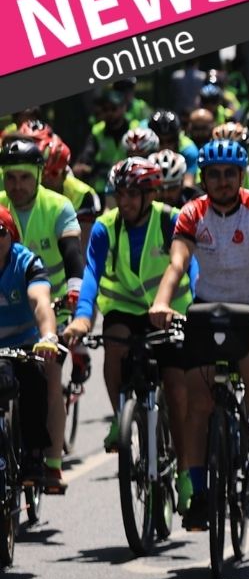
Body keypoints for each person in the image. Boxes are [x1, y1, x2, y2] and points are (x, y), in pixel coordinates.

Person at [146, 139, 249, 531]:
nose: (223, 181)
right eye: (215, 174)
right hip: (207, 308)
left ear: (242, 175)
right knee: (198, 403)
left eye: (231, 174)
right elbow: (177, 263)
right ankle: (197, 493)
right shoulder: (192, 212)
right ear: (205, 177)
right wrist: (162, 304)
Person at [63, 158, 191, 460]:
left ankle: (187, 472)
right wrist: (82, 317)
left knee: (175, 387)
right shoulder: (105, 226)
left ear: (152, 195)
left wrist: (193, 309)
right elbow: (91, 272)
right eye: (119, 194)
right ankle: (120, 415)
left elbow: (189, 265)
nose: (124, 201)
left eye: (132, 194)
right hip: (126, 308)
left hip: (171, 310)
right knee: (114, 349)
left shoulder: (170, 220)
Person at [0, 204, 66, 492]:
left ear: (11, 236)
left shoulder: (26, 262)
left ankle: (34, 456)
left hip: (24, 342)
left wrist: (49, 336)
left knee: (35, 378)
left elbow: (40, 300)